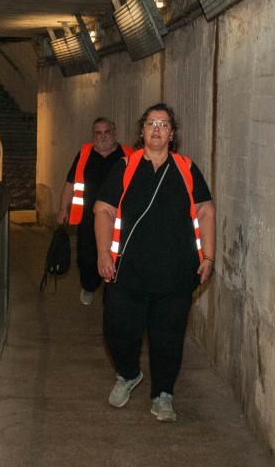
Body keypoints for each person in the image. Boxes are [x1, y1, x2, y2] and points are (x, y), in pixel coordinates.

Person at [92, 103, 215, 422]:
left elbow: (205, 210)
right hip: (127, 271)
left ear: (172, 133)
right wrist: (104, 252)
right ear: (141, 131)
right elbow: (103, 209)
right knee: (117, 329)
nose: (157, 129)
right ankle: (129, 373)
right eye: (151, 123)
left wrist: (209, 255)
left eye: (163, 124)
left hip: (175, 274)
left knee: (168, 337)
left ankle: (163, 394)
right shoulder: (126, 167)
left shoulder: (187, 169)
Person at [57, 117, 133, 305]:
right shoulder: (84, 154)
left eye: (107, 132)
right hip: (88, 219)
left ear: (114, 132)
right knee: (87, 257)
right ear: (93, 135)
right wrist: (62, 209)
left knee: (118, 256)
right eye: (98, 133)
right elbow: (70, 183)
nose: (103, 136)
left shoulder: (129, 155)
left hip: (119, 219)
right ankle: (89, 286)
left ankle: (113, 293)